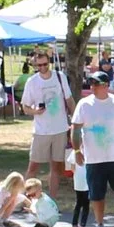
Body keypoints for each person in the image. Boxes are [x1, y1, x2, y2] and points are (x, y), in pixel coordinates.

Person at [71, 71, 114, 227]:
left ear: (106, 86)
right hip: (94, 159)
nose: (92, 87)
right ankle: (100, 225)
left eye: (96, 83)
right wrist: (77, 150)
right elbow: (76, 129)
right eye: (91, 83)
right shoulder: (84, 104)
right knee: (97, 195)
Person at [22, 61, 71, 196]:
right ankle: (24, 198)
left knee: (56, 167)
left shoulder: (60, 77)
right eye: (39, 65)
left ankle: (52, 201)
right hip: (41, 131)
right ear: (35, 66)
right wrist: (35, 111)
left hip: (60, 129)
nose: (42, 67)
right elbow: (25, 107)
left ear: (49, 63)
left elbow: (69, 99)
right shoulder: (32, 81)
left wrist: (75, 119)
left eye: (45, 64)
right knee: (33, 166)